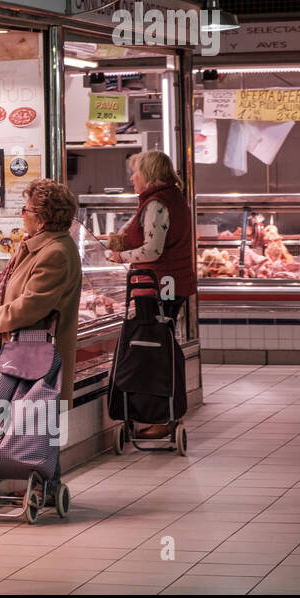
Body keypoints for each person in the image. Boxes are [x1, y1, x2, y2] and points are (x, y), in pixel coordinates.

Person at [105, 150, 197, 438]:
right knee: (162, 343)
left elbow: (153, 250)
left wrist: (119, 256)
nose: (132, 178)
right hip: (169, 283)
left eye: (136, 173)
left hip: (158, 285)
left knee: (155, 347)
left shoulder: (157, 203)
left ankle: (160, 416)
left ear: (149, 175)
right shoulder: (171, 198)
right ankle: (163, 412)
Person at [0, 178, 83, 405]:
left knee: (30, 435)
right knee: (22, 434)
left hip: (37, 366)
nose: (22, 215)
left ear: (42, 218)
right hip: (26, 360)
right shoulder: (38, 246)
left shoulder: (54, 253)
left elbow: (29, 308)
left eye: (25, 210)